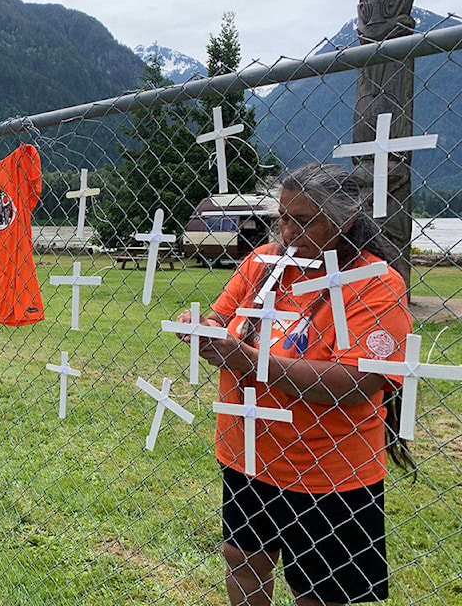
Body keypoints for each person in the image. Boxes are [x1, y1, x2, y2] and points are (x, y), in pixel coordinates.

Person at [173, 163, 414, 606]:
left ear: (345, 220)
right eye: (281, 216)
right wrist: (202, 328)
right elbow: (222, 318)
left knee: (320, 592)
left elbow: (359, 381)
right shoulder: (263, 262)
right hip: (248, 450)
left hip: (328, 471)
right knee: (242, 559)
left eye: (303, 220)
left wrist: (250, 361)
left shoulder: (376, 283)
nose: (286, 229)